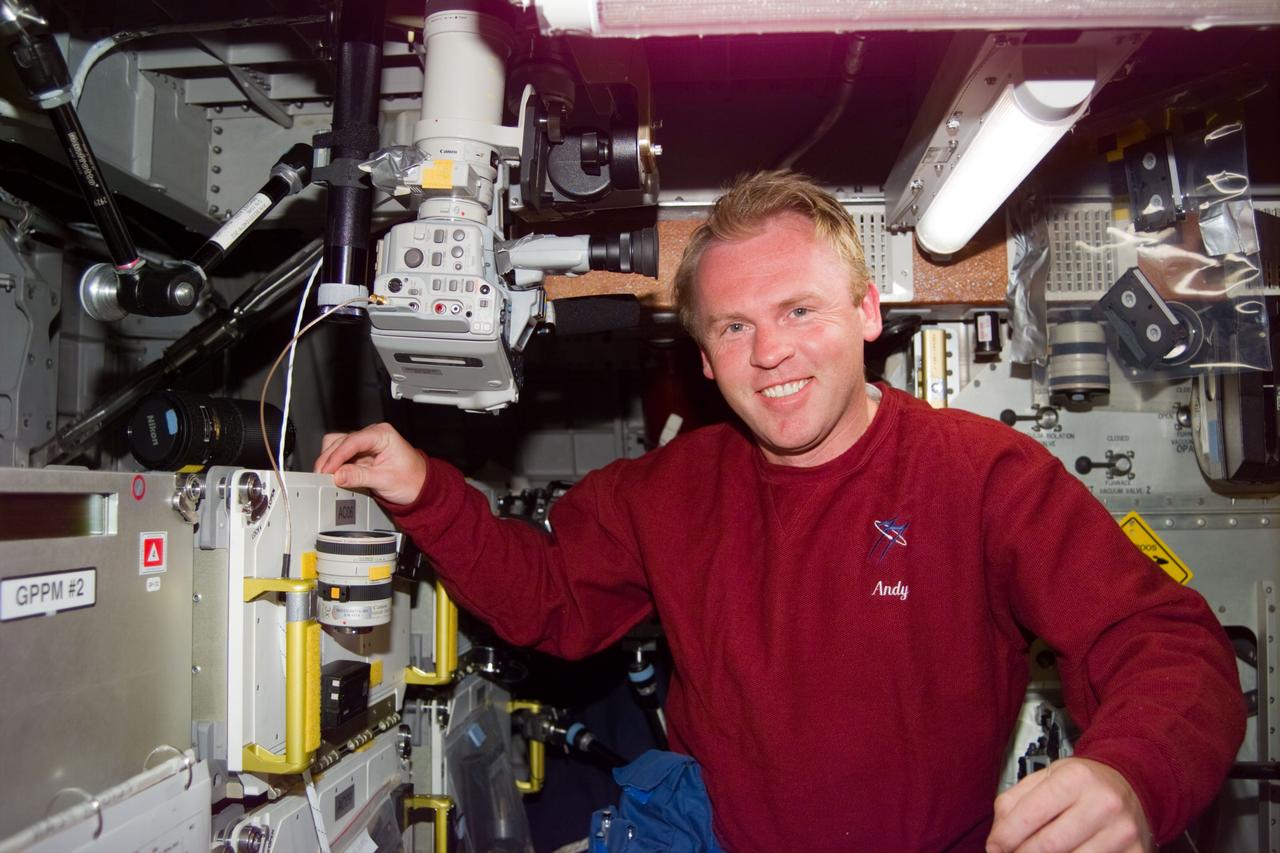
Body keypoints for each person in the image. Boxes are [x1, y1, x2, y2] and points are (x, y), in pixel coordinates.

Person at [316, 171, 1244, 852]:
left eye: (800, 310)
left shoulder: (981, 474)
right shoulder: (671, 490)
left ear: (867, 311)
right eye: (735, 326)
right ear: (706, 361)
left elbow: (1163, 640)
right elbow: (548, 598)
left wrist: (1133, 772)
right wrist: (425, 489)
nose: (770, 353)